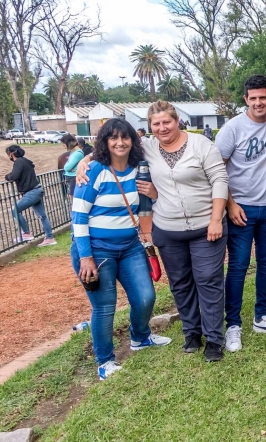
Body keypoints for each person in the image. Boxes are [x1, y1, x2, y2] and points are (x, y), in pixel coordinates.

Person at [80, 102, 230, 361]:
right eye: (156, 124)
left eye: (167, 122)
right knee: (180, 284)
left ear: (177, 121)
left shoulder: (201, 145)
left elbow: (220, 179)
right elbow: (115, 147)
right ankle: (192, 332)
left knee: (208, 280)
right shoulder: (147, 147)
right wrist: (85, 160)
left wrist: (217, 218)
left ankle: (214, 338)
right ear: (150, 127)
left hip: (206, 226)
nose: (162, 128)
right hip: (168, 228)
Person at [70, 119, 171, 380]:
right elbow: (79, 218)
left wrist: (155, 193)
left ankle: (140, 337)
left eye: (124, 137)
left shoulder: (139, 168)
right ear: (105, 141)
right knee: (104, 307)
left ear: (132, 140)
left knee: (146, 297)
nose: (119, 142)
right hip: (97, 251)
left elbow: (147, 203)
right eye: (113, 138)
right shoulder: (93, 171)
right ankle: (105, 361)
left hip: (129, 247)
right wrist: (86, 257)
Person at [215, 75, 266, 353]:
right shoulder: (232, 129)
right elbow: (217, 169)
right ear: (246, 99)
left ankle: (261, 316)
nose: (258, 102)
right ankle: (233, 324)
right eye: (252, 98)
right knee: (238, 266)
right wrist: (230, 204)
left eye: (262, 97)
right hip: (240, 208)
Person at [5, 145, 57, 246]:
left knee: (15, 210)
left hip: (32, 192)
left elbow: (14, 176)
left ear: (11, 153)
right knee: (42, 216)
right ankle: (50, 238)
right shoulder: (25, 161)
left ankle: (26, 233)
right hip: (37, 190)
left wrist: (7, 176)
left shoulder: (18, 162)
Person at [61, 133, 83, 199]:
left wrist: (69, 168)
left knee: (73, 196)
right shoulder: (73, 153)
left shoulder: (77, 154)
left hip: (73, 177)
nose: (63, 146)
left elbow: (67, 167)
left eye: (64, 144)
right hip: (71, 177)